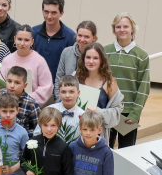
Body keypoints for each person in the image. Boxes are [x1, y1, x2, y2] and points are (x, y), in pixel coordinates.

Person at [104, 13, 150, 148]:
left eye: (125, 26)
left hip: (128, 113)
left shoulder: (141, 55)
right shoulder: (106, 51)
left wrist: (135, 114)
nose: (122, 30)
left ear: (132, 29)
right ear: (114, 30)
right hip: (108, 109)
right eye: (118, 26)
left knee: (126, 151)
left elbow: (144, 87)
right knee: (106, 149)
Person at [75, 43, 123, 140]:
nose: (91, 61)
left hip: (98, 134)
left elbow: (117, 110)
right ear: (83, 59)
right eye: (88, 57)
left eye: (95, 58)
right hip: (75, 131)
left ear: (102, 60)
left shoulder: (109, 82)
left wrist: (98, 111)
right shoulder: (75, 77)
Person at [0, 25, 53, 106]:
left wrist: (27, 101)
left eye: (26, 40)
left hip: (30, 106)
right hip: (8, 106)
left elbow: (46, 87)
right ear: (14, 39)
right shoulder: (7, 60)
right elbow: (0, 84)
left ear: (32, 42)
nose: (22, 43)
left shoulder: (39, 61)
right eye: (19, 39)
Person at [32, 0, 76, 80]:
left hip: (58, 89)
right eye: (46, 12)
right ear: (42, 10)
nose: (49, 16)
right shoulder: (33, 33)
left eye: (54, 13)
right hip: (35, 87)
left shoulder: (71, 37)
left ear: (61, 13)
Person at [55, 21, 97, 99]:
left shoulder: (98, 56)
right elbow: (59, 78)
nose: (82, 40)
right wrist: (59, 100)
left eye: (86, 37)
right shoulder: (66, 52)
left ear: (93, 38)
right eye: (80, 35)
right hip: (66, 100)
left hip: (88, 101)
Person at [0, 66, 40, 138]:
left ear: (25, 85)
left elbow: (37, 130)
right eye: (9, 81)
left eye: (17, 83)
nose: (12, 86)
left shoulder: (32, 105)